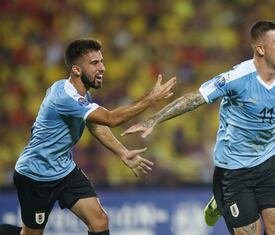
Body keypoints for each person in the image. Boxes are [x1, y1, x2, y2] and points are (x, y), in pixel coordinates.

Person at [121, 20, 275, 235]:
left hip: (268, 162)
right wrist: (154, 119)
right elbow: (195, 98)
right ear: (260, 48)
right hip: (234, 169)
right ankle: (220, 198)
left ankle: (222, 199)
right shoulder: (237, 78)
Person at [0, 38, 176, 235]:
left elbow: (97, 127)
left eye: (101, 61)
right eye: (94, 63)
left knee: (99, 221)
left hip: (64, 169)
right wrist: (151, 99)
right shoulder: (65, 97)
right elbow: (110, 119)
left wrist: (123, 152)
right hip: (35, 174)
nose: (102, 68)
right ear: (76, 69)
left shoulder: (80, 94)